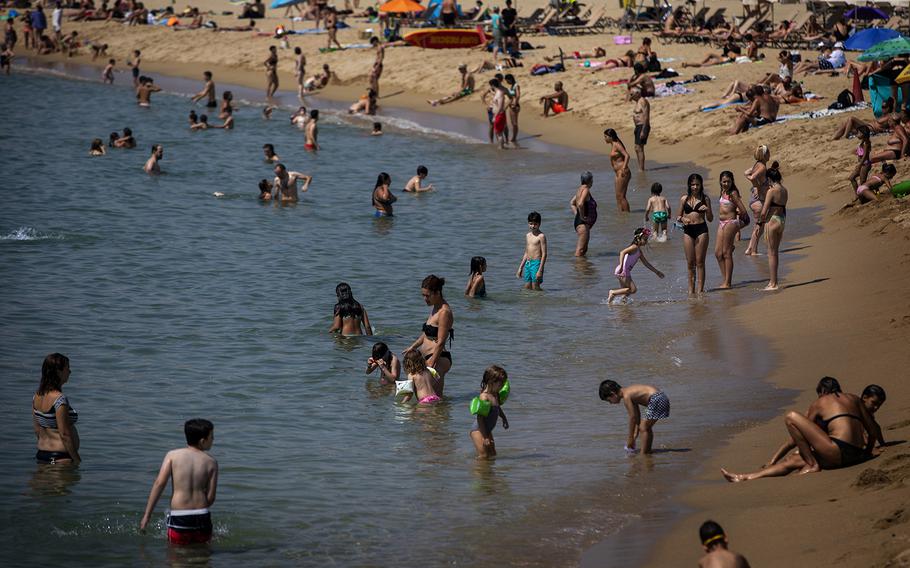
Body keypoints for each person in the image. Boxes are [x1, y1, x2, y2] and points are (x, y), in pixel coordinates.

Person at [721, 377, 876, 481]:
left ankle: (812, 465)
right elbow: (872, 429)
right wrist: (867, 452)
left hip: (839, 452)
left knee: (791, 417)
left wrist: (777, 457)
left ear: (822, 392)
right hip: (857, 454)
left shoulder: (820, 403)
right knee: (793, 460)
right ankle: (744, 477)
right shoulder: (854, 399)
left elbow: (799, 435)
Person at [139, 419, 218, 545]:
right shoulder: (211, 462)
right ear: (202, 441)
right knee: (203, 555)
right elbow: (211, 497)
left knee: (176, 557)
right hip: (202, 515)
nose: (213, 440)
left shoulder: (172, 456)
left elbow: (159, 483)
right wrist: (199, 510)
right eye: (212, 437)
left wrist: (147, 515)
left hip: (180, 516)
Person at [598, 380, 669, 454]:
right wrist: (635, 434)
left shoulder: (626, 396)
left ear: (613, 394)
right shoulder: (629, 392)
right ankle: (647, 451)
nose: (610, 403)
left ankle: (644, 453)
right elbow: (637, 416)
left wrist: (630, 438)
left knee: (644, 427)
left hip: (656, 399)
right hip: (661, 397)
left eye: (609, 400)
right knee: (645, 427)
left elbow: (632, 418)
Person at [33, 353, 80, 464]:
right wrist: (77, 460)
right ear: (58, 372)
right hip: (60, 458)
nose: (70, 372)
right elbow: (64, 435)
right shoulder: (60, 399)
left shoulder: (36, 396)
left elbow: (37, 429)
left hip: (41, 455)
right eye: (67, 368)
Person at [404, 274, 454, 380]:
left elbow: (441, 342)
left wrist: (432, 362)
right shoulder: (435, 307)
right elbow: (427, 334)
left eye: (427, 295)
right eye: (423, 295)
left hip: (438, 358)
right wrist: (413, 346)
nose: (425, 299)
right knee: (427, 395)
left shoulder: (444, 312)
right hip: (428, 358)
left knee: (432, 395)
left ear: (437, 293)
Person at [678, 173, 713, 294]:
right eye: (693, 184)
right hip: (688, 231)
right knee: (690, 263)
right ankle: (690, 291)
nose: (695, 187)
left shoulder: (705, 198)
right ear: (689, 185)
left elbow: (710, 219)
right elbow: (678, 216)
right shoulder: (684, 199)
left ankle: (700, 291)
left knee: (700, 262)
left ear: (701, 185)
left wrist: (707, 210)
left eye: (697, 184)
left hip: (701, 230)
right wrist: (683, 219)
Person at [608, 228, 664, 303]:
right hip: (623, 270)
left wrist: (657, 272)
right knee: (633, 290)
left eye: (647, 239)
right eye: (645, 239)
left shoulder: (639, 251)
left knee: (626, 292)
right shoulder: (634, 247)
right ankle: (613, 292)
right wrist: (621, 265)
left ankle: (621, 305)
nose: (646, 241)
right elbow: (622, 252)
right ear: (638, 238)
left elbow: (646, 263)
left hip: (622, 270)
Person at [714, 171, 748, 289]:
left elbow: (743, 211)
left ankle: (727, 283)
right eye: (724, 181)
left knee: (726, 253)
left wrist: (737, 224)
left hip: (730, 223)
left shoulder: (733, 193)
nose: (726, 183)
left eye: (728, 181)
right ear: (720, 182)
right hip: (721, 223)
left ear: (732, 181)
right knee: (718, 253)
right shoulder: (723, 192)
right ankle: (725, 280)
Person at [757, 162, 787, 291]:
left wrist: (759, 223)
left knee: (771, 253)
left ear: (769, 179)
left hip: (772, 221)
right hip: (782, 220)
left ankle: (773, 283)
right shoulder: (784, 190)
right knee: (775, 253)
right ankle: (774, 281)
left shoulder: (771, 191)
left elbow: (764, 211)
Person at [470, 365, 511, 459]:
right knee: (484, 456)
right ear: (491, 382)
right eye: (500, 384)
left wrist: (504, 418)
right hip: (478, 430)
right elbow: (480, 418)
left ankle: (489, 473)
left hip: (487, 430)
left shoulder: (495, 394)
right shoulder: (484, 397)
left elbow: (497, 408)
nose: (502, 386)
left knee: (492, 454)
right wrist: (485, 437)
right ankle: (479, 472)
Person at [744, 145, 770, 256]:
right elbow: (752, 177)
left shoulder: (756, 165)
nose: (770, 155)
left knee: (757, 225)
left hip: (753, 199)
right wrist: (757, 186)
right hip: (759, 200)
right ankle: (753, 251)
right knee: (760, 226)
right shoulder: (762, 167)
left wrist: (755, 186)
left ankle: (750, 248)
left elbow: (746, 173)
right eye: (768, 153)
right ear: (764, 155)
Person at [517, 211, 547, 290]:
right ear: (528, 223)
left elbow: (544, 254)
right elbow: (526, 253)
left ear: (539, 224)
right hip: (528, 263)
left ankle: (540, 300)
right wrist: (520, 268)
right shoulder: (528, 235)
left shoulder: (541, 236)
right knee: (527, 287)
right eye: (531, 223)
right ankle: (529, 302)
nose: (533, 226)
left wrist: (540, 270)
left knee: (535, 286)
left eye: (535, 224)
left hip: (536, 263)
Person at [570, 171, 597, 257]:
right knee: (580, 250)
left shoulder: (580, 190)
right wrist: (581, 216)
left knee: (584, 250)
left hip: (581, 223)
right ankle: (578, 268)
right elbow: (581, 203)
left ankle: (584, 268)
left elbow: (572, 203)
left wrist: (577, 214)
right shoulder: (585, 190)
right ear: (590, 181)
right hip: (583, 224)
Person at [604, 128, 631, 212]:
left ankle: (627, 215)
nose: (604, 138)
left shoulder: (616, 144)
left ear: (610, 137)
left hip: (622, 172)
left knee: (622, 196)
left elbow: (627, 155)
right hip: (618, 173)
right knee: (618, 196)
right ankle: (621, 215)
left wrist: (623, 167)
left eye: (605, 136)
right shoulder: (613, 145)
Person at [629, 88, 651, 172]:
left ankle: (642, 169)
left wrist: (643, 130)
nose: (631, 96)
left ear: (638, 93)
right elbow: (629, 99)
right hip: (638, 127)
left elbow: (646, 116)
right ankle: (640, 167)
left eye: (632, 94)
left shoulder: (643, 101)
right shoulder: (637, 102)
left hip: (642, 126)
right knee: (637, 148)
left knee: (639, 148)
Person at [860, 384, 887, 449]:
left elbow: (876, 427)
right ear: (865, 398)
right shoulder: (857, 410)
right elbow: (860, 432)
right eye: (874, 403)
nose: (876, 407)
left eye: (879, 405)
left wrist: (882, 444)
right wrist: (871, 448)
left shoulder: (867, 411)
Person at [848, 125, 872, 194]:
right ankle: (858, 195)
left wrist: (859, 165)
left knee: (862, 182)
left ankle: (870, 192)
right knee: (851, 178)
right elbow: (861, 153)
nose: (857, 135)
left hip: (865, 164)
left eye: (858, 133)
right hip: (862, 164)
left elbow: (865, 156)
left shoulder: (866, 143)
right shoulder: (862, 142)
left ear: (863, 134)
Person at [489, 78, 509, 149]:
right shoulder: (497, 93)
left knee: (499, 133)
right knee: (498, 132)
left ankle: (501, 148)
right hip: (498, 114)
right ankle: (501, 147)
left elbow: (500, 106)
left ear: (493, 85)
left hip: (499, 115)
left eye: (490, 86)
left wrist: (495, 116)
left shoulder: (500, 93)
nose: (490, 87)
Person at [504, 74, 521, 146]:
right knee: (512, 122)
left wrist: (514, 103)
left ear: (510, 79)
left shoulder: (516, 85)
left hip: (515, 106)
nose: (507, 82)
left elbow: (518, 95)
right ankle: (513, 137)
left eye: (507, 81)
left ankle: (514, 138)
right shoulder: (512, 86)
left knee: (514, 123)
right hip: (512, 106)